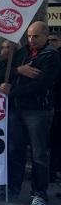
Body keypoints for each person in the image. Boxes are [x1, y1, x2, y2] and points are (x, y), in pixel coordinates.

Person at [0, 22, 60, 205]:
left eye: (36, 37)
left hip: (38, 111)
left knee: (38, 153)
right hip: (17, 110)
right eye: (30, 36)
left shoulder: (51, 56)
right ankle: (12, 188)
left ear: (46, 36)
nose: (32, 40)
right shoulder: (21, 52)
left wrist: (13, 90)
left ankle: (39, 194)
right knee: (15, 150)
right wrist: (18, 70)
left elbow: (42, 85)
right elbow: (2, 72)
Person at [47, 32, 61, 185]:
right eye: (49, 40)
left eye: (54, 40)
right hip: (52, 105)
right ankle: (51, 172)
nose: (51, 42)